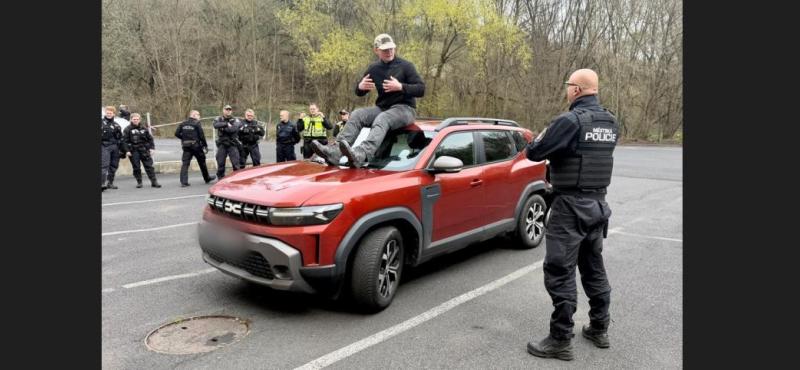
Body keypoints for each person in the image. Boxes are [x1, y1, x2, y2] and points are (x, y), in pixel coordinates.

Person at [524, 69, 619, 361]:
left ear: (576, 90)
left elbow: (535, 152)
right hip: (598, 205)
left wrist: (535, 140)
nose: (567, 90)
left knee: (559, 270)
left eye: (568, 86)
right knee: (592, 266)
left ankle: (560, 338)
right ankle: (599, 327)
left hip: (570, 207)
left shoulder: (569, 121)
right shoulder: (611, 121)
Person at [312, 33, 425, 168]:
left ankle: (362, 153)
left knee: (383, 118)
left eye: (391, 48)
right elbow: (359, 92)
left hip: (405, 109)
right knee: (358, 114)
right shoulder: (374, 68)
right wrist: (360, 87)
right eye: (385, 50)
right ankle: (335, 151)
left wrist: (401, 86)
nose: (389, 52)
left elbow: (421, 89)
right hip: (382, 108)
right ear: (376, 50)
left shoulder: (406, 66)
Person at [175, 110, 215, 187]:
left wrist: (184, 139)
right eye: (198, 114)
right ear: (193, 115)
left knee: (185, 164)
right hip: (196, 146)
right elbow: (201, 135)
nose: (199, 116)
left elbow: (176, 133)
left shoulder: (183, 123)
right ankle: (207, 178)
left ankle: (184, 182)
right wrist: (205, 146)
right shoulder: (197, 123)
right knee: (202, 162)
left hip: (186, 146)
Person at [122, 113, 161, 188]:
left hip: (144, 150)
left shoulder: (143, 128)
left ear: (139, 120)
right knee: (136, 167)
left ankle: (154, 182)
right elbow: (124, 141)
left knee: (149, 166)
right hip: (133, 151)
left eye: (137, 119)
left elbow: (150, 139)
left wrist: (152, 148)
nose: (136, 121)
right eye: (134, 119)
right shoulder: (127, 129)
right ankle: (139, 182)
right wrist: (127, 151)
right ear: (131, 119)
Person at [212, 104, 243, 179]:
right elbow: (215, 125)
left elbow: (233, 129)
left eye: (229, 110)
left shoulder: (236, 120)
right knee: (220, 162)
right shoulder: (218, 118)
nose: (228, 111)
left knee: (236, 163)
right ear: (223, 110)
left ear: (231, 111)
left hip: (232, 144)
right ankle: (220, 178)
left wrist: (223, 128)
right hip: (222, 144)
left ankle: (237, 178)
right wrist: (226, 124)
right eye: (226, 109)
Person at [101, 106, 125, 190]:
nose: (109, 114)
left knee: (114, 165)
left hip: (115, 147)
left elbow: (121, 138)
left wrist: (123, 150)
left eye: (110, 113)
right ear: (105, 113)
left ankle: (110, 183)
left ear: (113, 114)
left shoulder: (116, 125)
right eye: (107, 113)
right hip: (104, 146)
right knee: (104, 165)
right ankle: (102, 183)